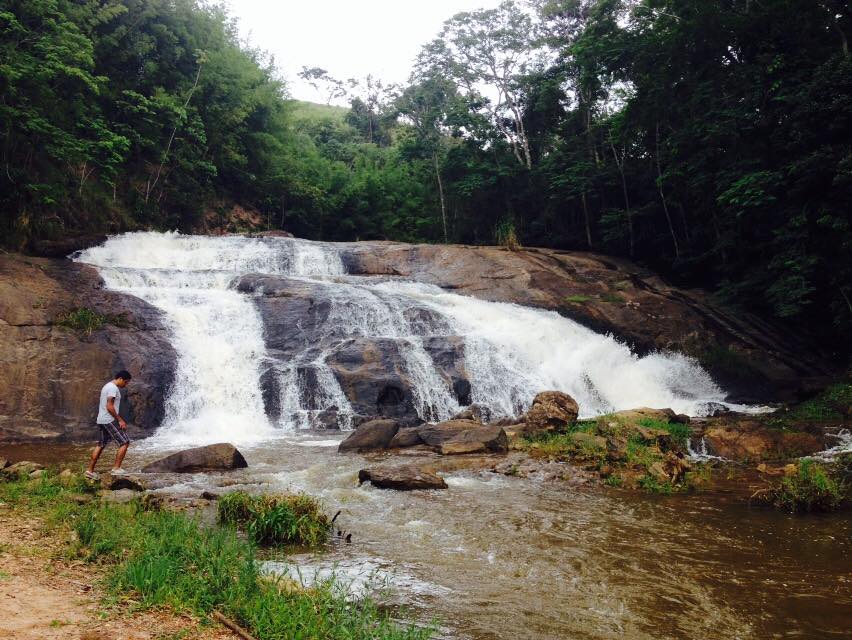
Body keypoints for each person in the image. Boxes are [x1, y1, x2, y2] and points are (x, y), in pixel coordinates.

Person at [85, 370, 132, 480]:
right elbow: (109, 406)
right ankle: (116, 468)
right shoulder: (112, 388)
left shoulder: (107, 386)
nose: (126, 385)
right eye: (125, 382)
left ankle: (90, 471)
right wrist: (120, 420)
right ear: (120, 378)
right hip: (108, 419)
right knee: (125, 442)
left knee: (101, 445)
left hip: (102, 419)